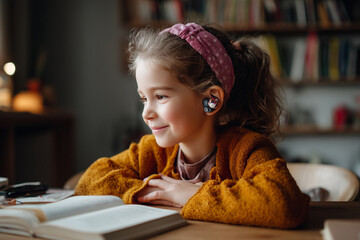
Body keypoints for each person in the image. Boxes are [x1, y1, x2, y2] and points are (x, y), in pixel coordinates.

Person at [75, 23, 309, 228]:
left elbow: (283, 204)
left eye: (161, 97)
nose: (146, 113)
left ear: (211, 100)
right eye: (144, 99)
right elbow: (90, 180)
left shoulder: (247, 149)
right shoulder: (151, 151)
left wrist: (190, 194)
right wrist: (158, 192)